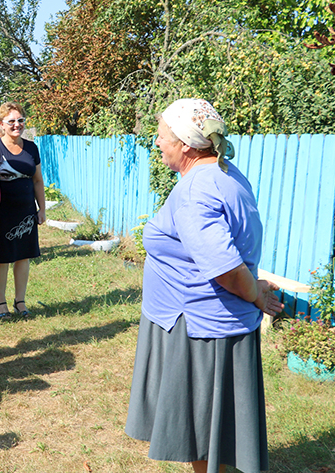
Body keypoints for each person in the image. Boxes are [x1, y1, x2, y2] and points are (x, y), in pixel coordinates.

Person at [124, 99, 284, 473]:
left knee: (200, 428)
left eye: (162, 136)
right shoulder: (226, 172)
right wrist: (252, 287)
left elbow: (224, 267)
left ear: (184, 144)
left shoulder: (197, 189)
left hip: (199, 327)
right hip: (205, 319)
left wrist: (255, 292)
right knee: (210, 427)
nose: (157, 142)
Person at [0, 102, 46, 318]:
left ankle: (20, 301)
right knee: (1, 258)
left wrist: (42, 209)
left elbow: (38, 180)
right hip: (0, 212)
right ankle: (1, 303)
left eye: (20, 120)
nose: (16, 125)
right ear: (1, 124)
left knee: (23, 256)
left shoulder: (31, 147)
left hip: (26, 211)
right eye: (11, 121)